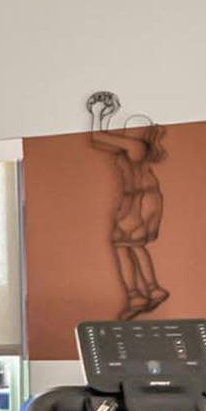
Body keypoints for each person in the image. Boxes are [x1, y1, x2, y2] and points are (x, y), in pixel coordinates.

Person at [86, 92, 169, 320]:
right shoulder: (134, 146)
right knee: (130, 245)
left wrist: (96, 113)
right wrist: (108, 115)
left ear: (136, 131)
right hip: (140, 199)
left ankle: (145, 292)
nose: (123, 131)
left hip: (140, 200)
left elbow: (97, 138)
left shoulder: (135, 145)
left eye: (127, 127)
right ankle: (143, 293)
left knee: (126, 244)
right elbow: (105, 139)